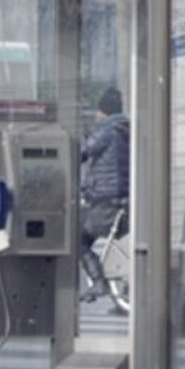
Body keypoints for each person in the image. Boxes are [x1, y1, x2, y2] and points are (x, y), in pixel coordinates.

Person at [80, 87, 130, 300]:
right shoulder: (125, 129)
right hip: (123, 200)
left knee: (78, 240)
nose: (96, 115)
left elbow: (82, 153)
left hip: (105, 202)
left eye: (99, 111)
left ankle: (99, 283)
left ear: (105, 112)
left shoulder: (107, 131)